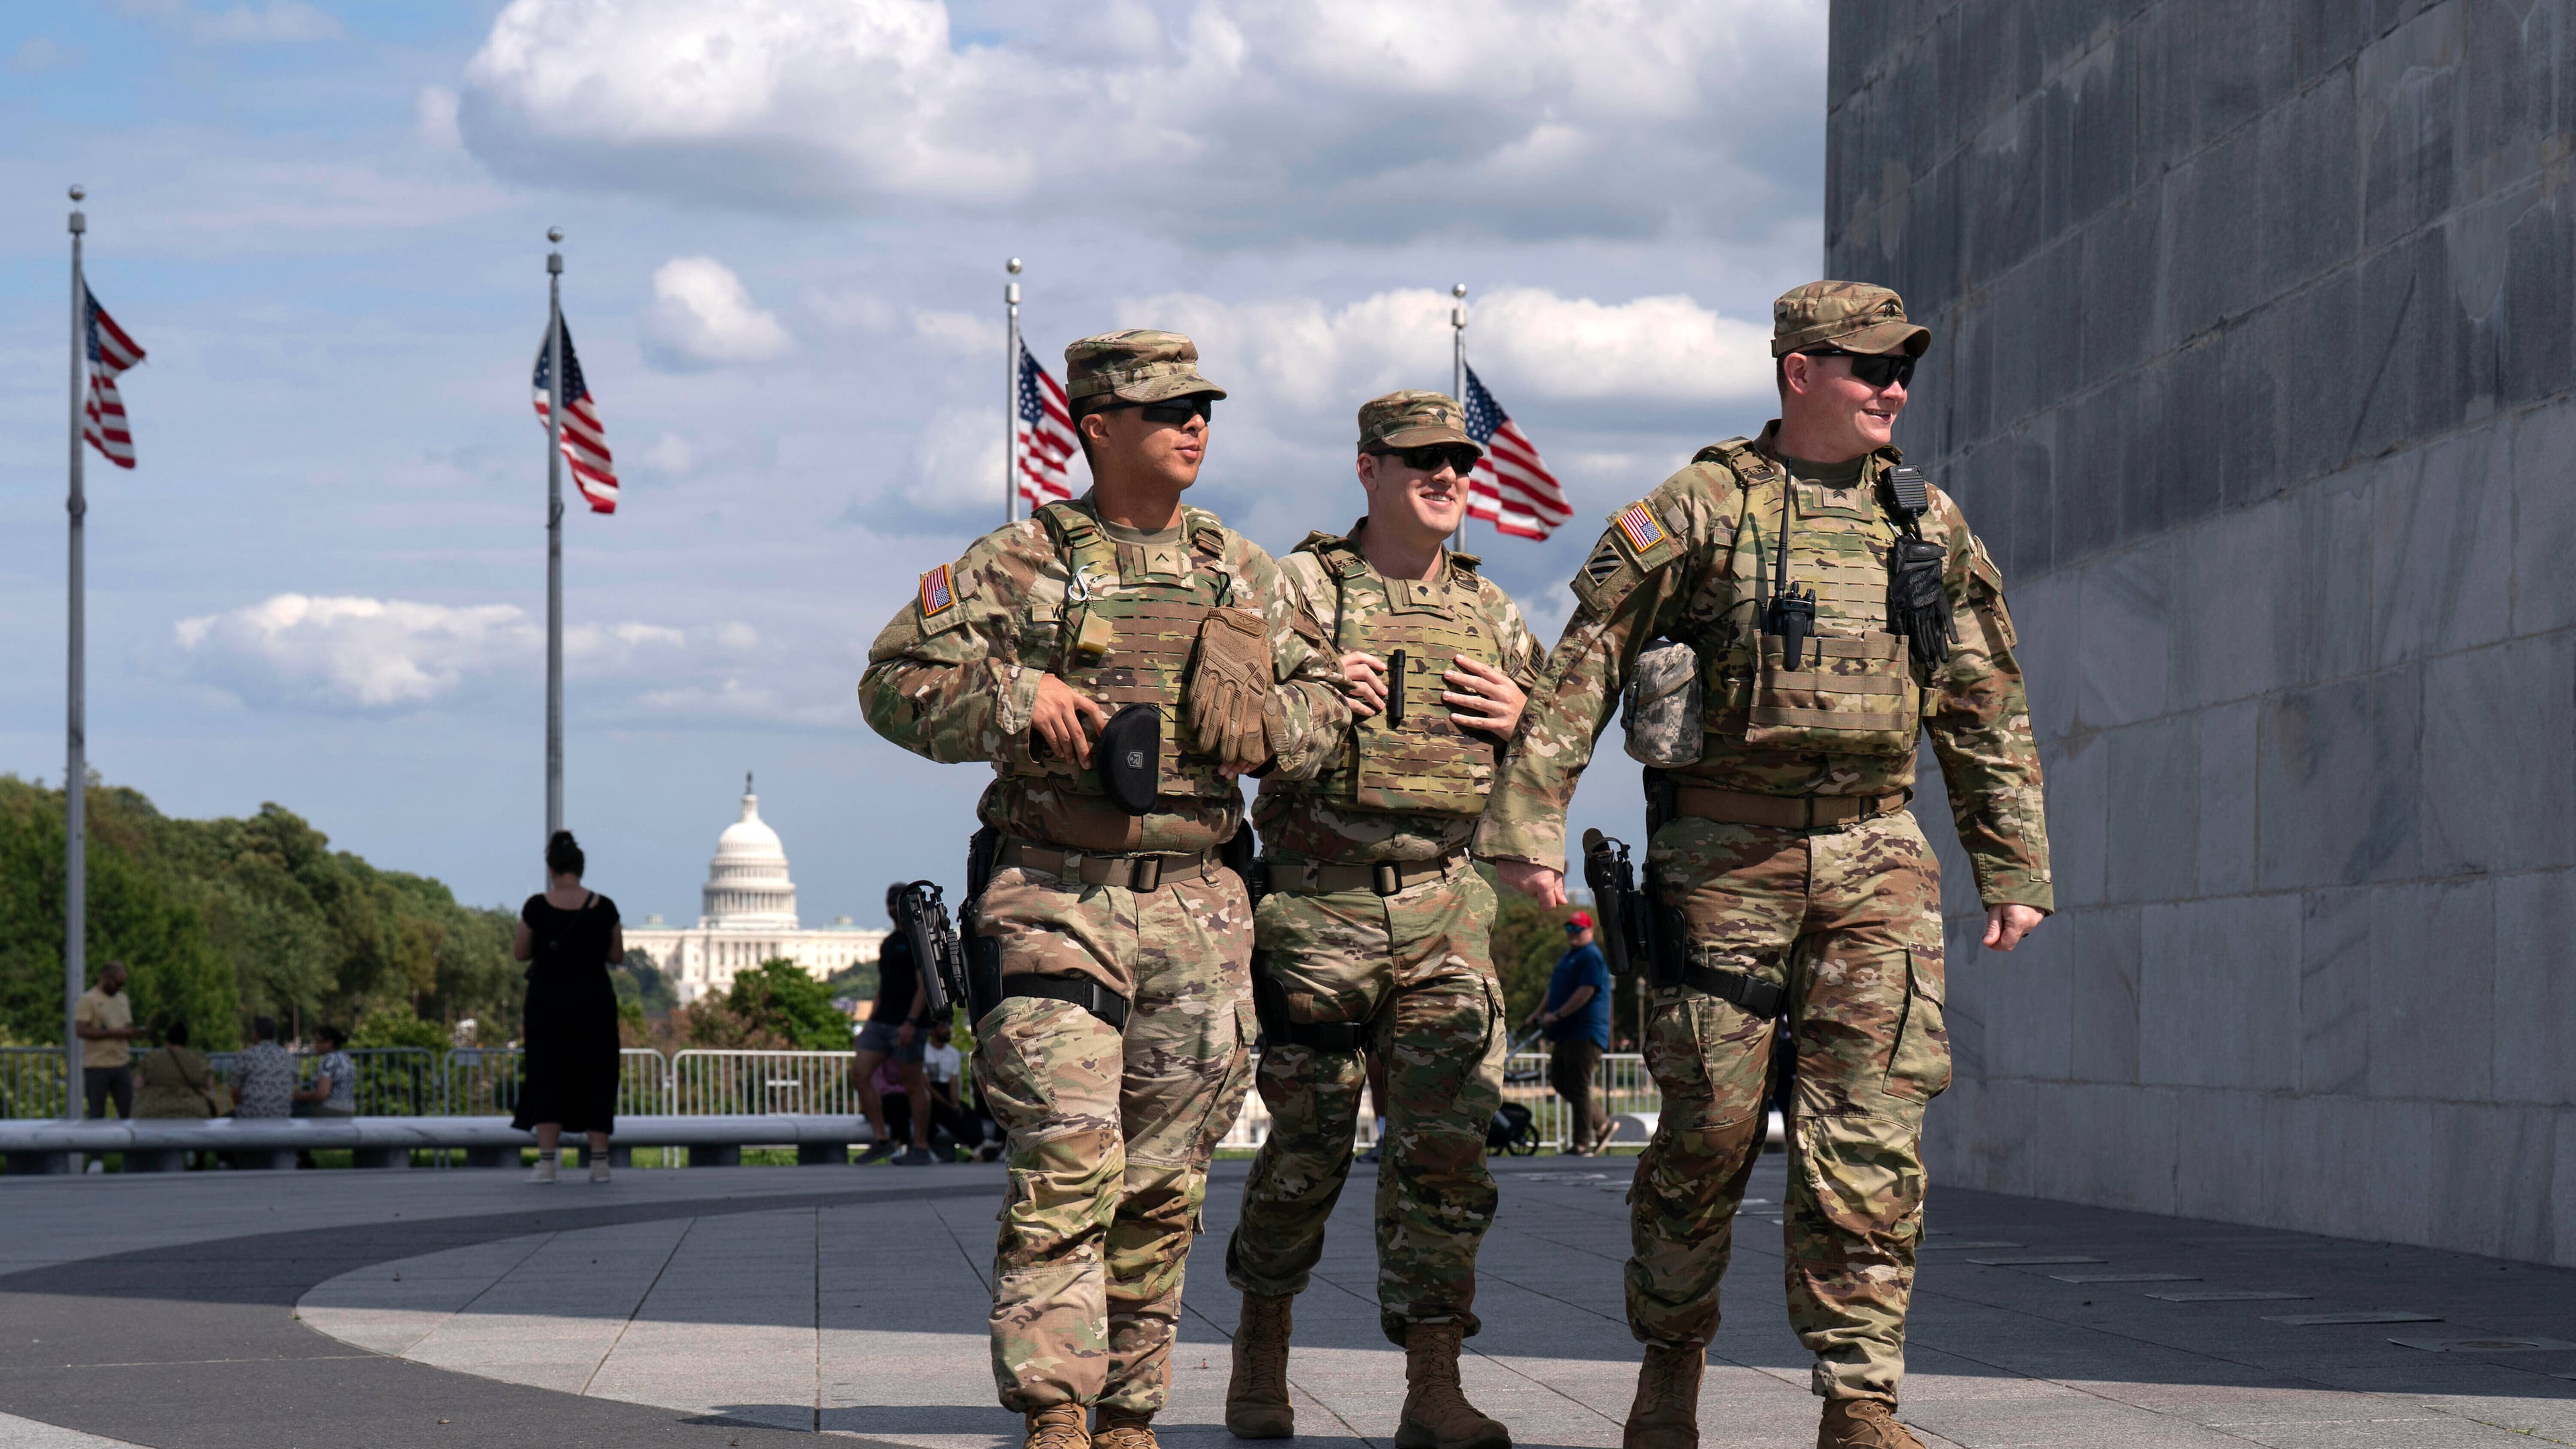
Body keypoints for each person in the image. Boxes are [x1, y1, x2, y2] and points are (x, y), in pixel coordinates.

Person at [1474, 282, 2051, 1449]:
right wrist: (1529, 830)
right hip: (1722, 861)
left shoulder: (1925, 524)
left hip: (1879, 856)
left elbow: (1984, 701)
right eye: (1867, 367)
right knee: (1706, 1136)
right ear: (1798, 371)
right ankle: (1669, 1377)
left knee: (1873, 1137)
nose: (1892, 388)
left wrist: (2013, 863)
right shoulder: (1700, 508)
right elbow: (1586, 664)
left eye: (1902, 372)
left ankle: (1860, 1403)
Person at [859, 330, 1350, 1449]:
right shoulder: (1017, 563)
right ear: (1096, 427)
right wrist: (1008, 696)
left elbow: (1331, 703)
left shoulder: (1246, 569)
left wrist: (1275, 723)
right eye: (1165, 409)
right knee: (1068, 1161)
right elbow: (889, 682)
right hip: (1052, 897)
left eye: (1202, 408)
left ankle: (1128, 1413)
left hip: (1198, 905)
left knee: (1165, 1185)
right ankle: (1054, 1409)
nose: (1194, 426)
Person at [1223, 390, 1544, 1449]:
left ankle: (1433, 1389)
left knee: (1447, 1157)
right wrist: (1309, 696)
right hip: (1318, 910)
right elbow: (1234, 729)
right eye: (1421, 461)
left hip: (1448, 907)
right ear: (1368, 470)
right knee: (1304, 1151)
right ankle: (1262, 1346)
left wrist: (1524, 719)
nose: (1447, 476)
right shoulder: (1300, 588)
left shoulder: (1494, 611)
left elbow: (1555, 748)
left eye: (1459, 459)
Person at [513, 829, 623, 1185]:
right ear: (581, 867)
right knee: (597, 1074)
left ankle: (547, 1163)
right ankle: (600, 1163)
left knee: (547, 1075)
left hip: (548, 1002)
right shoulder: (604, 907)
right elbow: (617, 955)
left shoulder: (536, 907)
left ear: (551, 868)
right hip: (594, 1002)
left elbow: (520, 952)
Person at [853, 885, 935, 1166]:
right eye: (888, 903)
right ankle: (881, 1139)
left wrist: (911, 1021)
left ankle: (921, 1146)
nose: (891, 909)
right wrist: (868, 1024)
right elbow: (882, 987)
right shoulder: (889, 943)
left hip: (907, 1024)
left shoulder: (919, 940)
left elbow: (924, 985)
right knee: (860, 1074)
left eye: (896, 903)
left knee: (912, 1085)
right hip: (882, 1021)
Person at [1525, 913, 1611, 1155]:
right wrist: (1538, 1013)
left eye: (1578, 928)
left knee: (1578, 1084)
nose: (1573, 932)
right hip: (1564, 1031)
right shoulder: (1569, 957)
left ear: (1590, 931)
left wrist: (1559, 1014)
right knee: (1561, 1081)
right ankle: (1602, 1123)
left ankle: (1582, 1142)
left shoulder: (1591, 957)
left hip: (1584, 1030)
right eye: (1570, 928)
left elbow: (1586, 991)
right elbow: (1553, 990)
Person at [74, 961, 142, 1120]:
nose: (119, 988)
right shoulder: (88, 999)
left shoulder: (123, 999)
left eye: (122, 984)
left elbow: (126, 1025)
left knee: (129, 1112)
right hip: (97, 1066)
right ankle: (97, 1145)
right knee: (97, 1114)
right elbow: (81, 1030)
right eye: (117, 983)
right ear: (105, 977)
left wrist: (131, 1033)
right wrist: (113, 1033)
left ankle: (129, 1145)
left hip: (121, 1063)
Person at [134, 1020, 223, 1120]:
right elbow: (209, 1085)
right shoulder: (197, 1059)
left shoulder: (151, 1058)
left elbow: (138, 1085)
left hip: (152, 1110)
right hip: (192, 1111)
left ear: (167, 1039)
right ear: (186, 1040)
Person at [232, 1016, 295, 1120]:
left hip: (250, 1116)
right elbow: (293, 1082)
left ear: (256, 1033)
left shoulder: (246, 1056)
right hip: (281, 1115)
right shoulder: (287, 1056)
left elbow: (235, 1092)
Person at [293, 1026, 358, 1117]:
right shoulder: (346, 1057)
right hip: (349, 1109)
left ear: (329, 1043)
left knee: (292, 1108)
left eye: (318, 1041)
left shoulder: (328, 1060)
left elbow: (322, 1094)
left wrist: (300, 1096)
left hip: (332, 1109)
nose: (315, 1044)